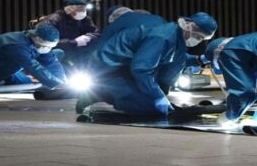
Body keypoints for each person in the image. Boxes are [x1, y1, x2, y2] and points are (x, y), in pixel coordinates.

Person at [77, 12, 218, 115]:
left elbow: (175, 59)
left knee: (154, 103)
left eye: (202, 39)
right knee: (146, 106)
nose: (198, 40)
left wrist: (200, 60)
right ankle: (99, 94)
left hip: (127, 67)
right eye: (199, 36)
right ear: (190, 26)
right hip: (110, 67)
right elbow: (141, 69)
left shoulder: (177, 37)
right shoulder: (162, 37)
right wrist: (158, 96)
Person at [0, 24, 66, 88]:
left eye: (50, 47)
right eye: (45, 46)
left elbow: (52, 61)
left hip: (7, 64)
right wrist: (56, 84)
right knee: (22, 66)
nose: (47, 48)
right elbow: (33, 67)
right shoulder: (16, 45)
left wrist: (63, 82)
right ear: (37, 38)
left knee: (26, 84)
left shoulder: (39, 43)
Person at [34, 0, 100, 72]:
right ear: (68, 9)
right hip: (58, 54)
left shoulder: (85, 19)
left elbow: (96, 33)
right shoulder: (54, 20)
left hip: (76, 54)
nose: (81, 12)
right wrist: (73, 42)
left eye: (83, 9)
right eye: (78, 9)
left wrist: (88, 37)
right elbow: (43, 41)